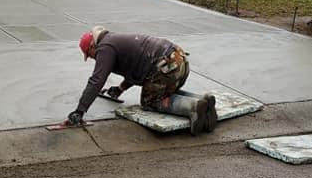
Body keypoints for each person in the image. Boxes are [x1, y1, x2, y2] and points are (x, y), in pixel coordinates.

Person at [66, 26, 217, 136]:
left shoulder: (105, 48)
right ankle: (203, 102)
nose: (93, 58)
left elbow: (97, 80)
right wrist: (120, 89)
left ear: (93, 45)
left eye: (89, 54)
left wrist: (80, 110)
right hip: (179, 60)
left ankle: (193, 107)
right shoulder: (114, 40)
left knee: (150, 101)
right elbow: (137, 70)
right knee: (162, 90)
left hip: (166, 65)